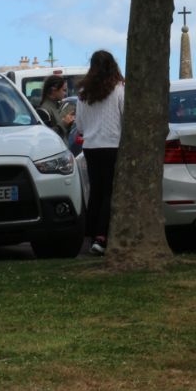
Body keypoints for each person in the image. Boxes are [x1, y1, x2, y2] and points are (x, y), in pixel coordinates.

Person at [75, 50, 125, 256]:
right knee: (109, 192)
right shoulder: (120, 89)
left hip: (91, 146)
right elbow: (125, 115)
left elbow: (79, 124)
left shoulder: (84, 93)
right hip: (113, 145)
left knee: (95, 190)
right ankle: (102, 236)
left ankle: (91, 232)